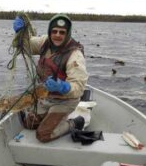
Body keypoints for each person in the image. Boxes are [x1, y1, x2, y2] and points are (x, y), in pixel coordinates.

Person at [13, 14, 89, 142]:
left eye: (62, 32)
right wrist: (20, 33)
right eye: (54, 31)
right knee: (29, 124)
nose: (57, 35)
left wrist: (64, 87)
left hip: (65, 101)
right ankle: (49, 116)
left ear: (68, 33)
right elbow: (25, 46)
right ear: (50, 32)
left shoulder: (75, 54)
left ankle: (75, 123)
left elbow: (79, 87)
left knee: (43, 135)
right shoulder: (45, 42)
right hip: (47, 98)